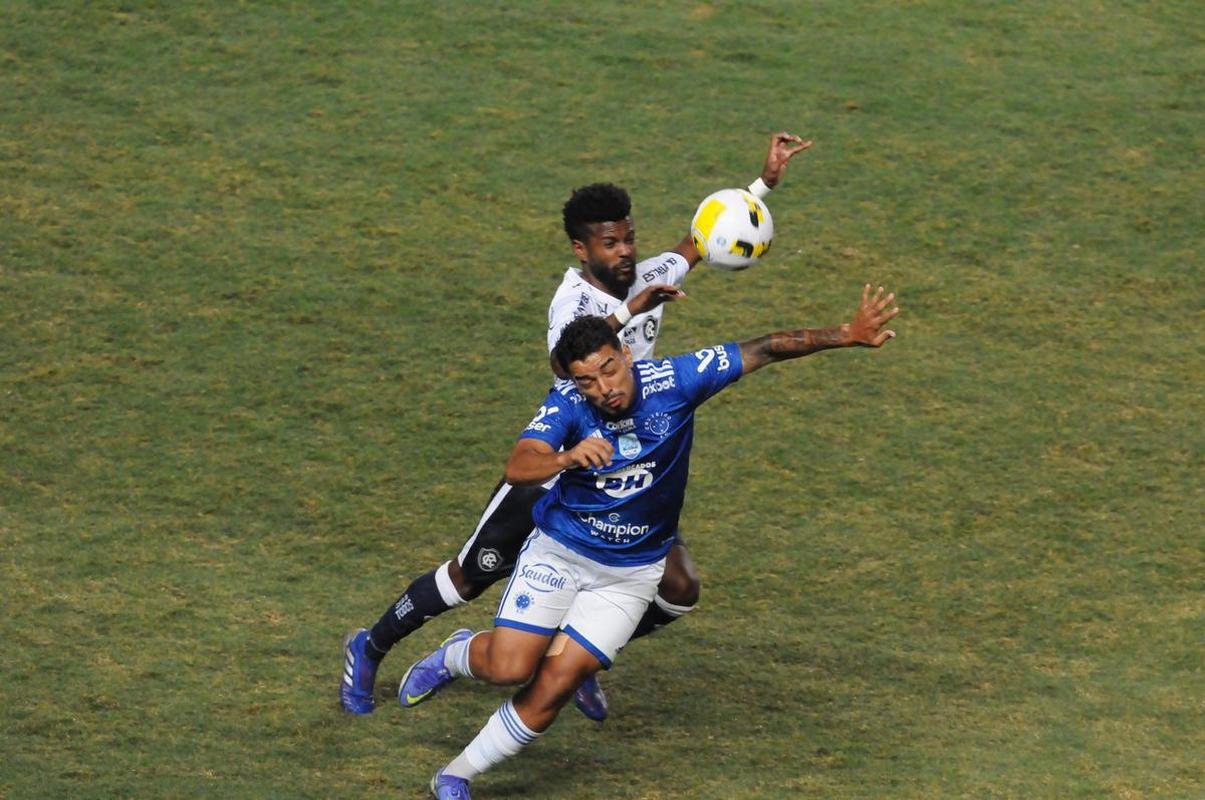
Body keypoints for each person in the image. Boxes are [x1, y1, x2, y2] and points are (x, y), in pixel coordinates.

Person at [341, 132, 814, 719]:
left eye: (629, 238)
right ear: (580, 248)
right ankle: (373, 644)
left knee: (680, 587)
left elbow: (704, 239)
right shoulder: (572, 303)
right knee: (474, 573)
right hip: (556, 462)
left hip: (624, 465)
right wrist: (628, 312)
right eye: (610, 242)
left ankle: (573, 657)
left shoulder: (649, 273)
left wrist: (762, 184)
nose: (624, 252)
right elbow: (563, 364)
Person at [401, 284, 901, 798]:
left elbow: (765, 347)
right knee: (509, 668)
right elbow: (519, 463)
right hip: (562, 553)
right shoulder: (569, 404)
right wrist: (566, 458)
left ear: (626, 355)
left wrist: (847, 334)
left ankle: (456, 774)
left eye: (609, 370)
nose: (603, 388)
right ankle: (455, 654)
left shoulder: (678, 380)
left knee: (554, 686)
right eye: (588, 381)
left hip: (630, 575)